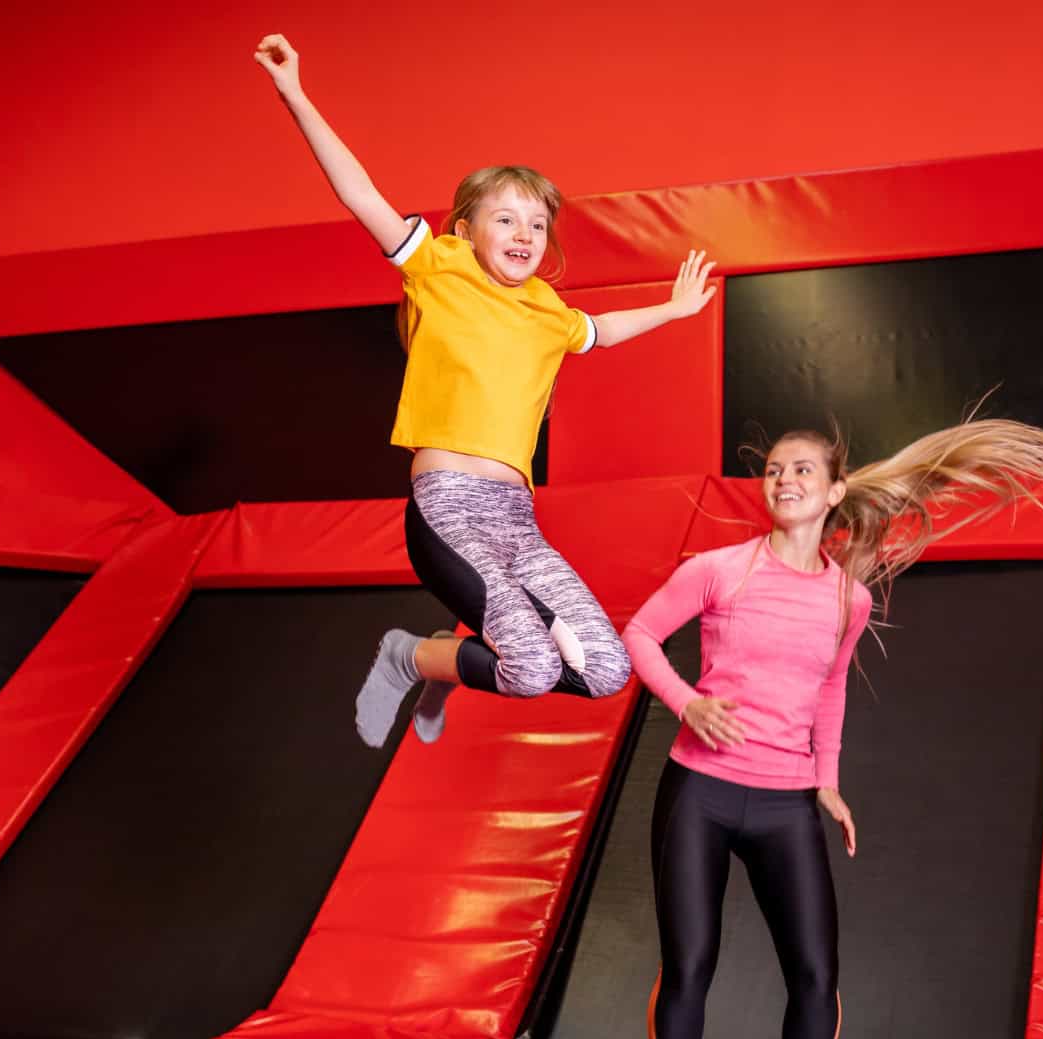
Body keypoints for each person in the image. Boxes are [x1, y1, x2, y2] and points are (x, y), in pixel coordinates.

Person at [254, 34, 719, 747]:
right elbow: (360, 193)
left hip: (516, 519)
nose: (525, 233)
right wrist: (295, 95)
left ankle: (445, 662)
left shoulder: (547, 313)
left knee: (606, 670)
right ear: (466, 229)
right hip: (448, 510)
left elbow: (601, 330)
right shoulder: (439, 268)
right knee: (530, 668)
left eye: (537, 223)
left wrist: (673, 309)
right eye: (506, 218)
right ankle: (409, 656)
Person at [624, 419, 1043, 1039]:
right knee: (690, 965)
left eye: (802, 469)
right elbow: (639, 633)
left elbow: (830, 689)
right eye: (775, 469)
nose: (785, 479)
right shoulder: (719, 570)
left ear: (836, 491)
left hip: (786, 804)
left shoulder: (848, 598)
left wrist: (827, 782)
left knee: (814, 975)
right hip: (700, 793)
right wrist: (687, 701)